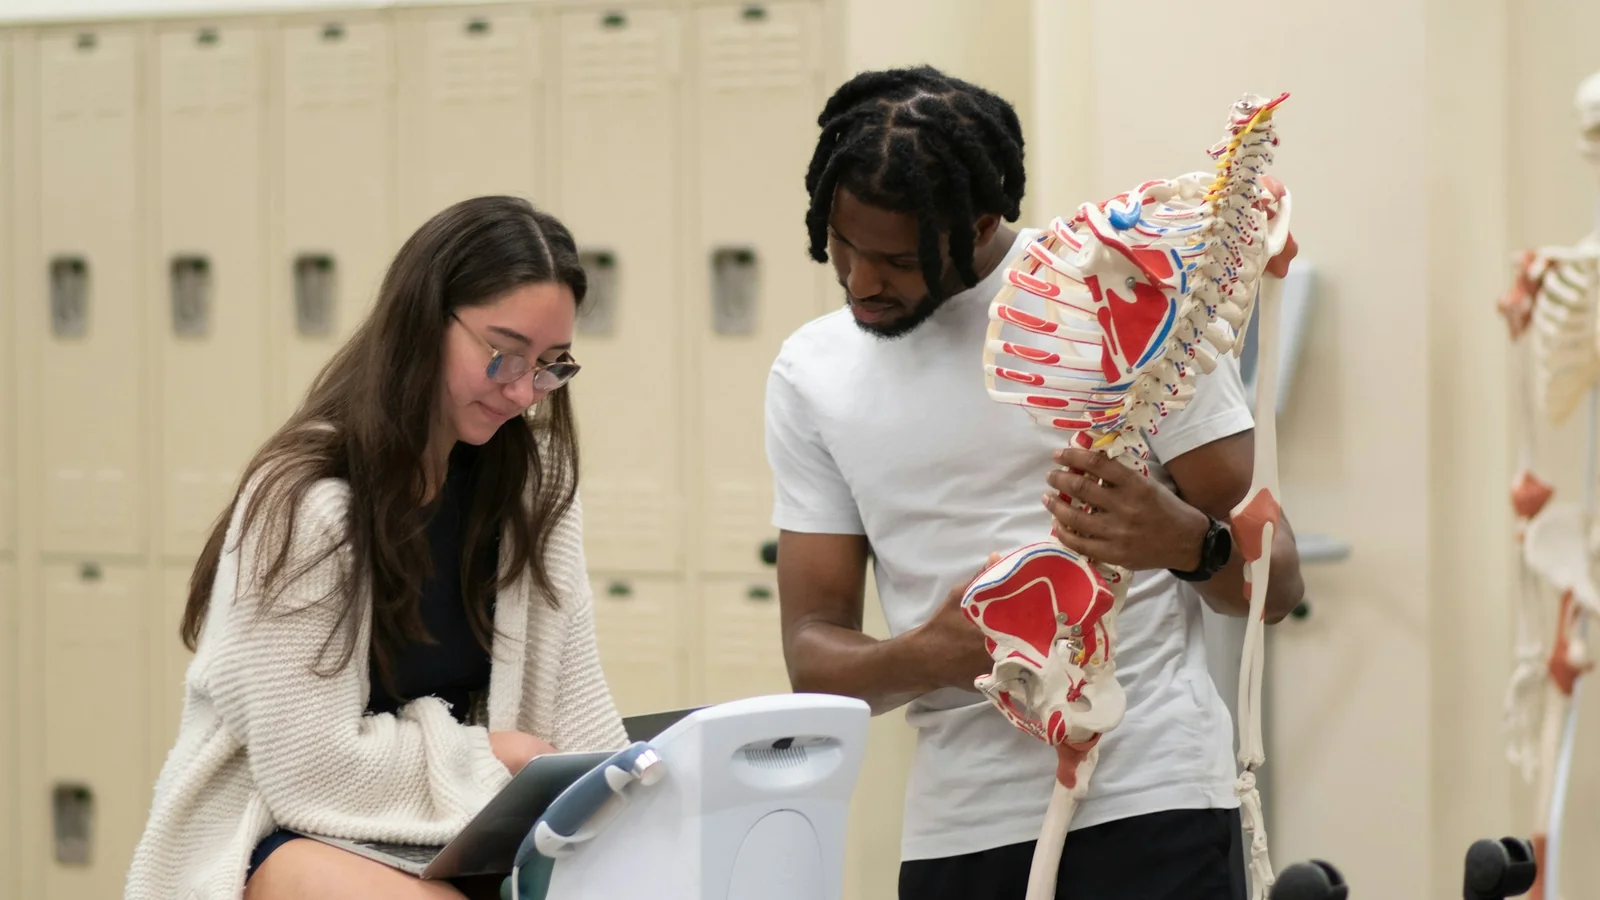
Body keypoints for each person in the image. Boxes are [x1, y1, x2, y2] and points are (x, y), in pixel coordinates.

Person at [764, 66, 1307, 900]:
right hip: (960, 825)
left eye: (897, 259)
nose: (860, 281)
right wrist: (927, 655)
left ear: (983, 222)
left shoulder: (1121, 298)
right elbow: (814, 657)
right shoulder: (812, 373)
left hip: (1152, 797)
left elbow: (1277, 584)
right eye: (842, 246)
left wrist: (1181, 542)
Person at [123, 196, 628, 900]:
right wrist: (489, 755)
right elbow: (310, 769)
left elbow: (573, 715)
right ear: (425, 320)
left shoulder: (533, 488)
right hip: (277, 824)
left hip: (459, 824)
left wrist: (631, 795)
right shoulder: (308, 501)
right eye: (503, 354)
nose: (523, 390)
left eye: (549, 364)